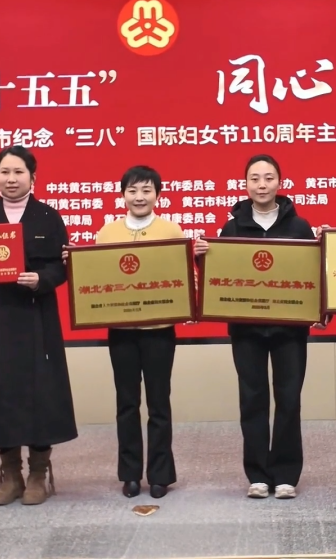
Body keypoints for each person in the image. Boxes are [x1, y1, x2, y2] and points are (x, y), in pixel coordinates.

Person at [193, 154, 318, 500]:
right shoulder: (231, 228)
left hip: (289, 330)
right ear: (245, 184)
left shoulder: (299, 227)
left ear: (280, 182)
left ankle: (286, 474)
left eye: (268, 178)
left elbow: (312, 274)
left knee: (289, 400)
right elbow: (220, 276)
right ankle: (258, 474)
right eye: (254, 178)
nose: (262, 185)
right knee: (252, 399)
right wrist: (203, 257)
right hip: (246, 330)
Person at [0, 146, 77, 506]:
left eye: (18, 172)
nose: (11, 179)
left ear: (32, 177)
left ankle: (39, 473)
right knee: (0, 391)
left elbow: (62, 267)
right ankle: (11, 475)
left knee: (41, 391)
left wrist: (41, 279)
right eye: (4, 172)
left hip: (36, 315)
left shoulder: (48, 217)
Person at [92, 165, 184, 499]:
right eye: (132, 190)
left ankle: (160, 474)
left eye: (146, 190)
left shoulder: (171, 230)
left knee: (159, 403)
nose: (139, 197)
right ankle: (130, 474)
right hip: (121, 331)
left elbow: (181, 276)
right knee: (126, 403)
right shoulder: (106, 233)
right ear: (123, 195)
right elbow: (97, 277)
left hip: (159, 330)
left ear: (157, 194)